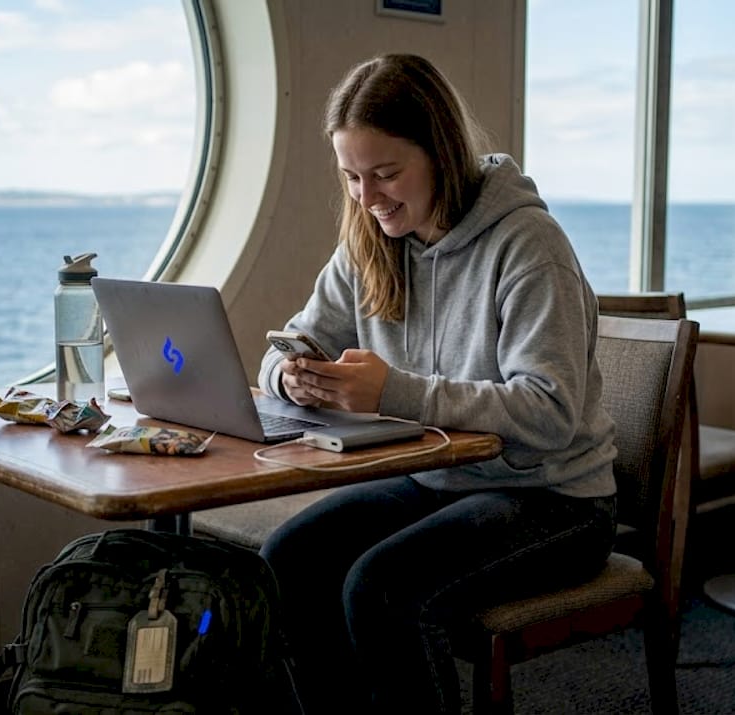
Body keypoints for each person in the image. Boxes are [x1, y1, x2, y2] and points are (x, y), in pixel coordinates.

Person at [255, 54, 618, 713]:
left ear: (441, 153)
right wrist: (289, 374)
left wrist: (395, 391)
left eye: (386, 173)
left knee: (380, 587)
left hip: (556, 498)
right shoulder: (372, 238)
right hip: (441, 480)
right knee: (288, 559)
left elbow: (551, 412)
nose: (367, 196)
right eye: (352, 176)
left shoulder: (529, 245)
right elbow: (290, 341)